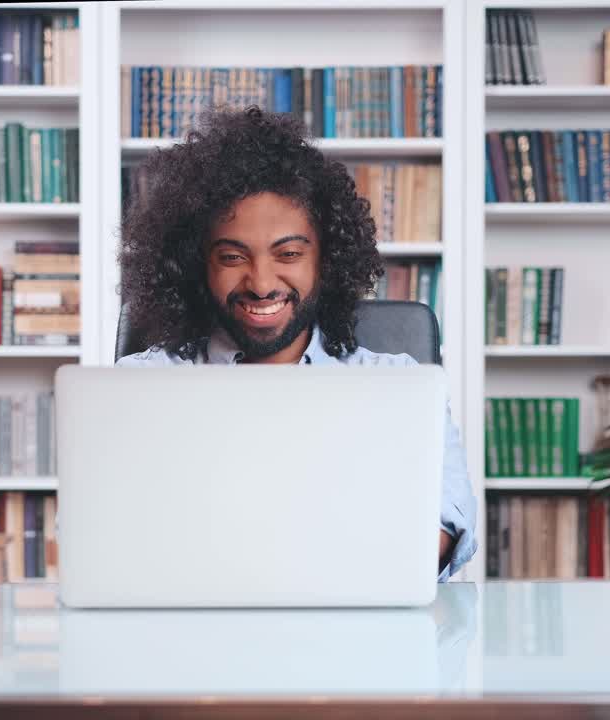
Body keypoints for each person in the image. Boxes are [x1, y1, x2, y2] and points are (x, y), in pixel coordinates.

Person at [116, 105, 476, 580]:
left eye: (287, 253)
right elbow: (99, 532)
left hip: (350, 630)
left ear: (326, 260)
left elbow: (443, 524)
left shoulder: (399, 385)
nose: (261, 283)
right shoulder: (140, 386)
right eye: (232, 256)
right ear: (195, 265)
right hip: (190, 629)